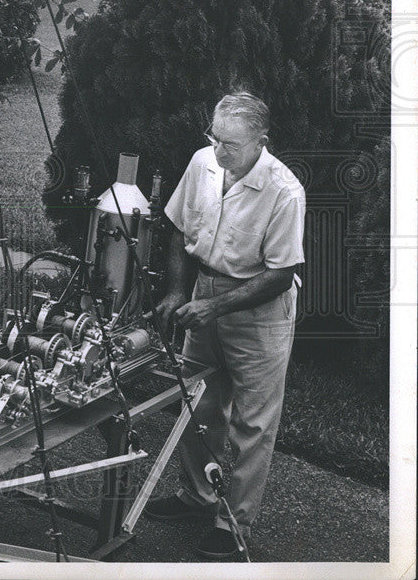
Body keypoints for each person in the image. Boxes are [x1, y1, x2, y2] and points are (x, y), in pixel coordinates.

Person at [144, 91, 306, 559]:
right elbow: (179, 230)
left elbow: (279, 274)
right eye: (214, 138)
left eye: (231, 145)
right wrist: (178, 292)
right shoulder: (202, 163)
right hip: (205, 295)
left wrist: (215, 308)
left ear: (261, 140)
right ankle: (197, 495)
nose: (219, 152)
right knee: (199, 402)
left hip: (258, 312)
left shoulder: (283, 191)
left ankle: (233, 523)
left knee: (252, 424)